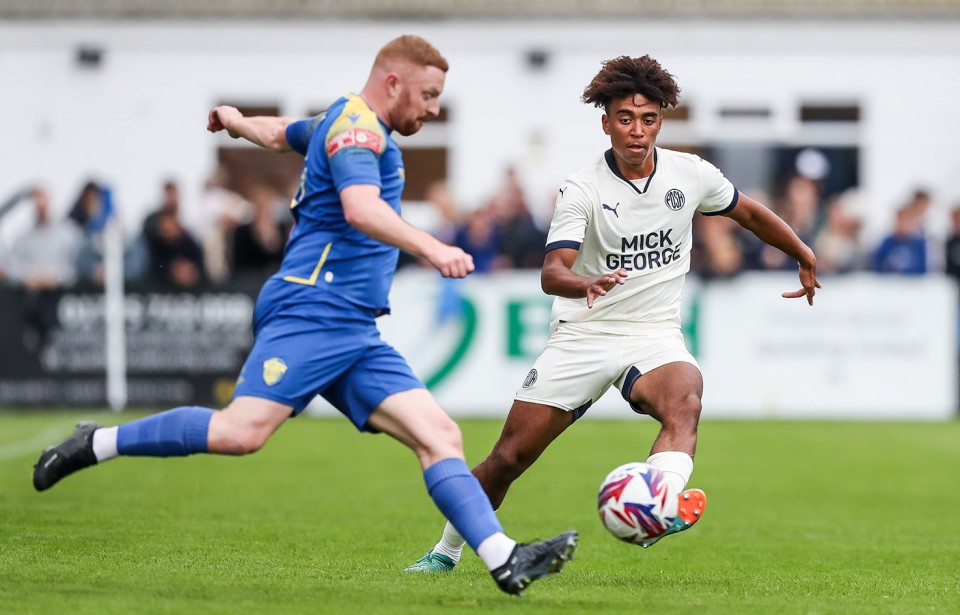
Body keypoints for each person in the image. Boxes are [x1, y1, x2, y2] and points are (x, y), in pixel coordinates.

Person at [32, 34, 576, 597]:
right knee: (240, 433)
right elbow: (359, 208)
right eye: (429, 95)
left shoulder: (339, 119)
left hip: (352, 326)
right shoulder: (359, 132)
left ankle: (503, 558)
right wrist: (432, 247)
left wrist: (237, 120)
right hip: (313, 309)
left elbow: (277, 133)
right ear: (393, 82)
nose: (434, 109)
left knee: (439, 434)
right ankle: (96, 441)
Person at [404, 54, 820, 573]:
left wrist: (801, 253)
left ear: (660, 123)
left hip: (653, 333)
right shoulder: (583, 188)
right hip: (584, 332)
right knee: (509, 458)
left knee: (685, 398)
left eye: (647, 119)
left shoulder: (690, 174)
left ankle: (657, 507)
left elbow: (751, 213)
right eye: (625, 118)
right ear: (606, 123)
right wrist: (586, 281)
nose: (637, 131)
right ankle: (445, 552)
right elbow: (551, 271)